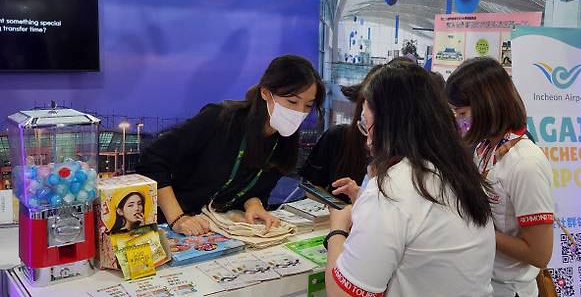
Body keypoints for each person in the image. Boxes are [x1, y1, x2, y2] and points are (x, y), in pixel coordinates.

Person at [325, 61, 495, 297]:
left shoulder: (392, 190)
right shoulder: (460, 174)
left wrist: (337, 229)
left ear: (388, 123)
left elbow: (342, 294)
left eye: (366, 123)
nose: (367, 138)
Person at [136, 55, 325, 236]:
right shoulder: (220, 118)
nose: (299, 112)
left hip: (218, 230)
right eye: (292, 101)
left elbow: (255, 188)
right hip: (170, 225)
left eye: (308, 106)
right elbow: (152, 160)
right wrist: (177, 218)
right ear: (266, 93)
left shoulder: (285, 140)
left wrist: (254, 205)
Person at [446, 57, 554, 297]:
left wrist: (476, 230)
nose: (458, 120)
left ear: (488, 105)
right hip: (484, 281)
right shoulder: (485, 148)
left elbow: (540, 253)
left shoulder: (525, 163)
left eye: (462, 112)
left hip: (510, 288)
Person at [299, 65, 383, 203]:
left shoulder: (405, 161)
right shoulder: (337, 136)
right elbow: (310, 185)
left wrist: (360, 201)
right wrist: (340, 208)